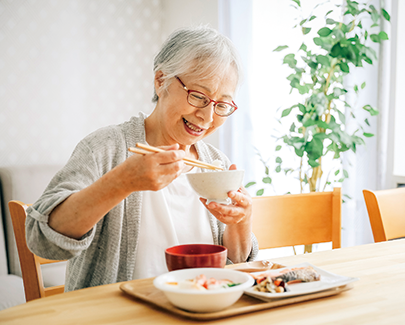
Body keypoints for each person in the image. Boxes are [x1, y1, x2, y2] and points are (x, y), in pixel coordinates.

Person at [25, 25, 259, 292]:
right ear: (161, 81)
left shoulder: (216, 165)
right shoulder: (105, 148)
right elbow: (41, 240)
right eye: (198, 96)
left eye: (221, 105)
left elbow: (235, 267)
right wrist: (122, 182)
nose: (206, 118)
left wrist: (241, 222)